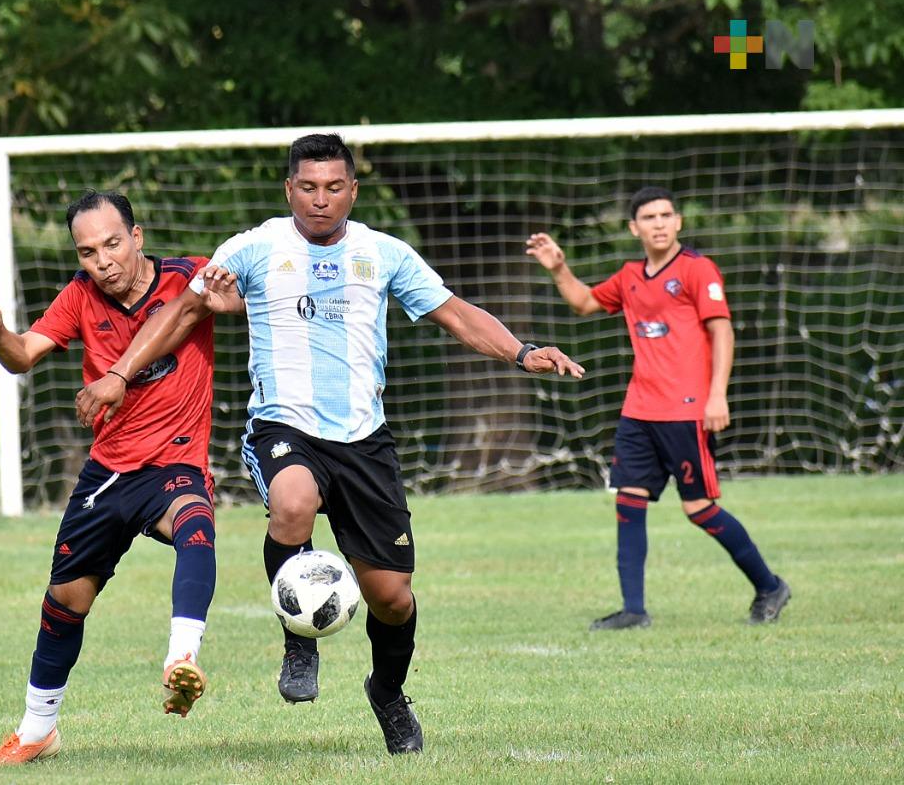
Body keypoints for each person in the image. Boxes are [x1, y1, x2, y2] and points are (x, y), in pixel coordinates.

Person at [75, 134, 584, 756]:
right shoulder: (255, 247)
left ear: (353, 190)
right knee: (292, 504)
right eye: (308, 188)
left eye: (334, 187)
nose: (321, 200)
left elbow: (455, 313)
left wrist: (523, 351)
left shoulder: (385, 253)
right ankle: (299, 638)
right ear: (289, 189)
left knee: (392, 599)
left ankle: (389, 694)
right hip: (283, 426)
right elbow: (183, 311)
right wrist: (119, 375)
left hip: (364, 442)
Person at [0, 190, 240, 766]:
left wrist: (236, 301)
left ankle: (181, 659)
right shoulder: (79, 298)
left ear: (137, 237)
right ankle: (38, 730)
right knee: (65, 602)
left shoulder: (189, 277)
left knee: (196, 522)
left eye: (112, 244)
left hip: (176, 461)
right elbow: (22, 355)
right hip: (109, 474)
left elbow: (223, 299)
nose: (102, 261)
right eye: (87, 252)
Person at [526, 186, 791, 631]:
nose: (660, 223)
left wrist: (717, 394)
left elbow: (722, 332)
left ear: (679, 222)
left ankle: (770, 586)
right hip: (639, 411)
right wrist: (559, 268)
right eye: (649, 217)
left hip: (686, 410)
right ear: (635, 228)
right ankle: (634, 611)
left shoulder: (696, 269)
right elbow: (585, 301)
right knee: (629, 503)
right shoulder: (630, 276)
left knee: (700, 510)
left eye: (667, 215)